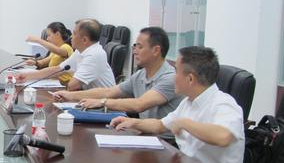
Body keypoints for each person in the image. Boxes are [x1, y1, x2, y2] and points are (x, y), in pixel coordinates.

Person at [110, 46, 245, 163]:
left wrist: (184, 123)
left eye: (176, 72)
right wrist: (133, 122)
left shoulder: (224, 104)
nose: (173, 77)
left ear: (190, 79)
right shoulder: (188, 101)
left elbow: (223, 137)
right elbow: (161, 125)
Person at [52, 27, 182, 118]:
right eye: (135, 46)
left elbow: (140, 104)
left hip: (165, 142)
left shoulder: (169, 78)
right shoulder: (140, 75)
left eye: (140, 47)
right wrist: (70, 96)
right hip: (146, 135)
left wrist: (103, 102)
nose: (134, 51)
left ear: (156, 50)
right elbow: (109, 92)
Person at [17, 19, 115, 91]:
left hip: (105, 106)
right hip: (91, 100)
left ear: (84, 40)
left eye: (74, 33)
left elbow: (73, 85)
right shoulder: (81, 51)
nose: (71, 36)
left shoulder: (94, 55)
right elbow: (58, 69)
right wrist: (27, 76)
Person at [24, 22, 74, 86]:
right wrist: (35, 62)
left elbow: (58, 51)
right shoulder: (55, 50)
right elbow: (43, 62)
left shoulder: (67, 47)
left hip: (64, 84)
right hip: (54, 82)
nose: (47, 39)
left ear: (57, 34)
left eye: (49, 35)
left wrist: (38, 40)